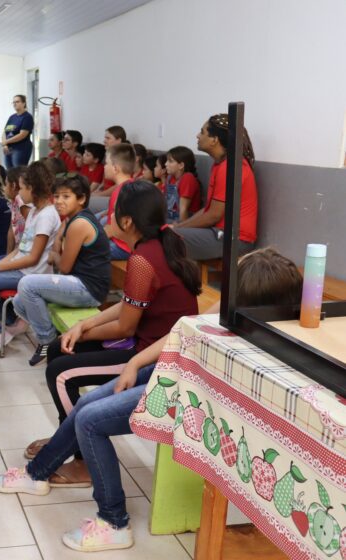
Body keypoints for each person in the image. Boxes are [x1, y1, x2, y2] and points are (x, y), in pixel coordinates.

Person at [0, 246, 302, 552]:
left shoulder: (260, 347)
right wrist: (135, 364)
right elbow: (182, 331)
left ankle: (114, 523)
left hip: (184, 395)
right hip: (170, 370)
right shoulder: (229, 309)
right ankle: (37, 474)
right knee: (87, 404)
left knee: (90, 421)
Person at [18, 181, 200, 485]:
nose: (108, 219)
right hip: (149, 341)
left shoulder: (143, 259)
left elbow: (126, 326)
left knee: (61, 372)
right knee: (61, 352)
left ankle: (82, 457)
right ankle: (65, 437)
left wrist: (82, 334)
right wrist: (85, 325)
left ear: (127, 222)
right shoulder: (162, 242)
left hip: (153, 354)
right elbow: (131, 303)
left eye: (114, 213)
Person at [0, 162, 60, 358]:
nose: (19, 193)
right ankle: (5, 322)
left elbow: (32, 259)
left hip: (29, 274)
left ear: (32, 189)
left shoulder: (47, 216)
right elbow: (19, 249)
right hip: (19, 268)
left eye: (22, 188)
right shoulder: (34, 212)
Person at [11, 175, 110, 366]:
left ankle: (48, 342)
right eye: (56, 197)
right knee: (19, 301)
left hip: (89, 289)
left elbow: (63, 266)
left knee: (27, 284)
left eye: (66, 197)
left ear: (81, 199)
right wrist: (56, 244)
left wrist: (55, 254)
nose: (59, 202)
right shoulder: (72, 219)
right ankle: (55, 335)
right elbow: (59, 256)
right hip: (77, 282)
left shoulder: (80, 223)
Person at [174, 114, 258, 260]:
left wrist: (178, 229)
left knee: (166, 239)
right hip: (219, 233)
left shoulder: (230, 167)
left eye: (202, 132)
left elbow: (213, 215)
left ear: (214, 140)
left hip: (236, 240)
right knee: (166, 233)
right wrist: (180, 225)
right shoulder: (220, 164)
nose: (197, 136)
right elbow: (208, 210)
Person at [101, 144, 137, 260]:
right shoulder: (129, 185)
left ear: (115, 168)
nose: (104, 166)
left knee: (83, 250)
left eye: (106, 163)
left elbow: (114, 230)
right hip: (122, 243)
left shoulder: (122, 192)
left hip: (122, 247)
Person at [163, 146, 201, 223]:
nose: (165, 164)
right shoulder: (170, 178)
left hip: (185, 220)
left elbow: (183, 210)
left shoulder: (188, 178)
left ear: (181, 165)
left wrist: (181, 230)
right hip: (170, 217)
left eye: (170, 161)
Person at [2, 95, 35, 167]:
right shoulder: (12, 117)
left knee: (18, 172)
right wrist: (4, 145)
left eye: (17, 102)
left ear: (23, 103)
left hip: (21, 148)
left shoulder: (27, 117)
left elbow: (22, 135)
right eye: (13, 102)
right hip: (8, 148)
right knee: (10, 172)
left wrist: (7, 141)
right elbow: (5, 132)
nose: (14, 104)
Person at [3, 166, 30, 252]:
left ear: (13, 186)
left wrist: (10, 260)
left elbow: (27, 232)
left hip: (24, 253)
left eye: (6, 184)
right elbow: (11, 230)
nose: (4, 188)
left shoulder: (21, 201)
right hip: (18, 253)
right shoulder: (14, 201)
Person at [101, 126, 127, 190]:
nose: (104, 141)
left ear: (118, 140)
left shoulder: (124, 158)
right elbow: (103, 182)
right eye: (105, 138)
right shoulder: (107, 154)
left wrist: (99, 195)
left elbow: (119, 185)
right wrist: (95, 192)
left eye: (108, 138)